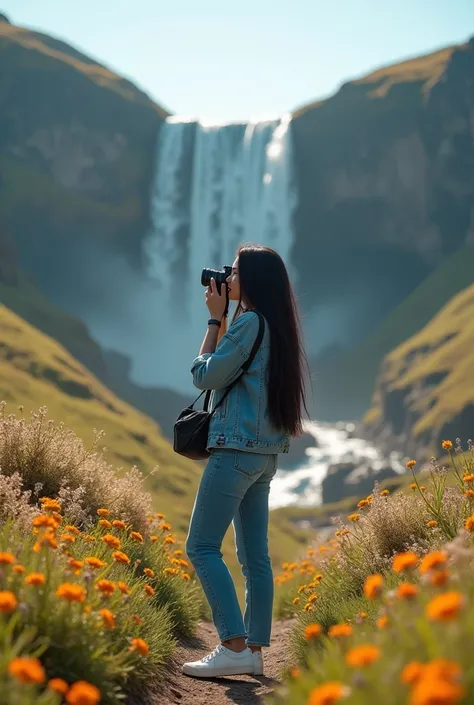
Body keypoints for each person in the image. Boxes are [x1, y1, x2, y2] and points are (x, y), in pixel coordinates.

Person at [183, 243, 309, 678]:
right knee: (255, 555)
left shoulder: (247, 323)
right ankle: (253, 651)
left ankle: (232, 646)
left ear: (252, 280)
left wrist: (215, 318)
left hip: (235, 452)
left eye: (234, 272)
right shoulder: (278, 326)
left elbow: (205, 374)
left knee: (200, 547)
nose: (226, 279)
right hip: (265, 456)